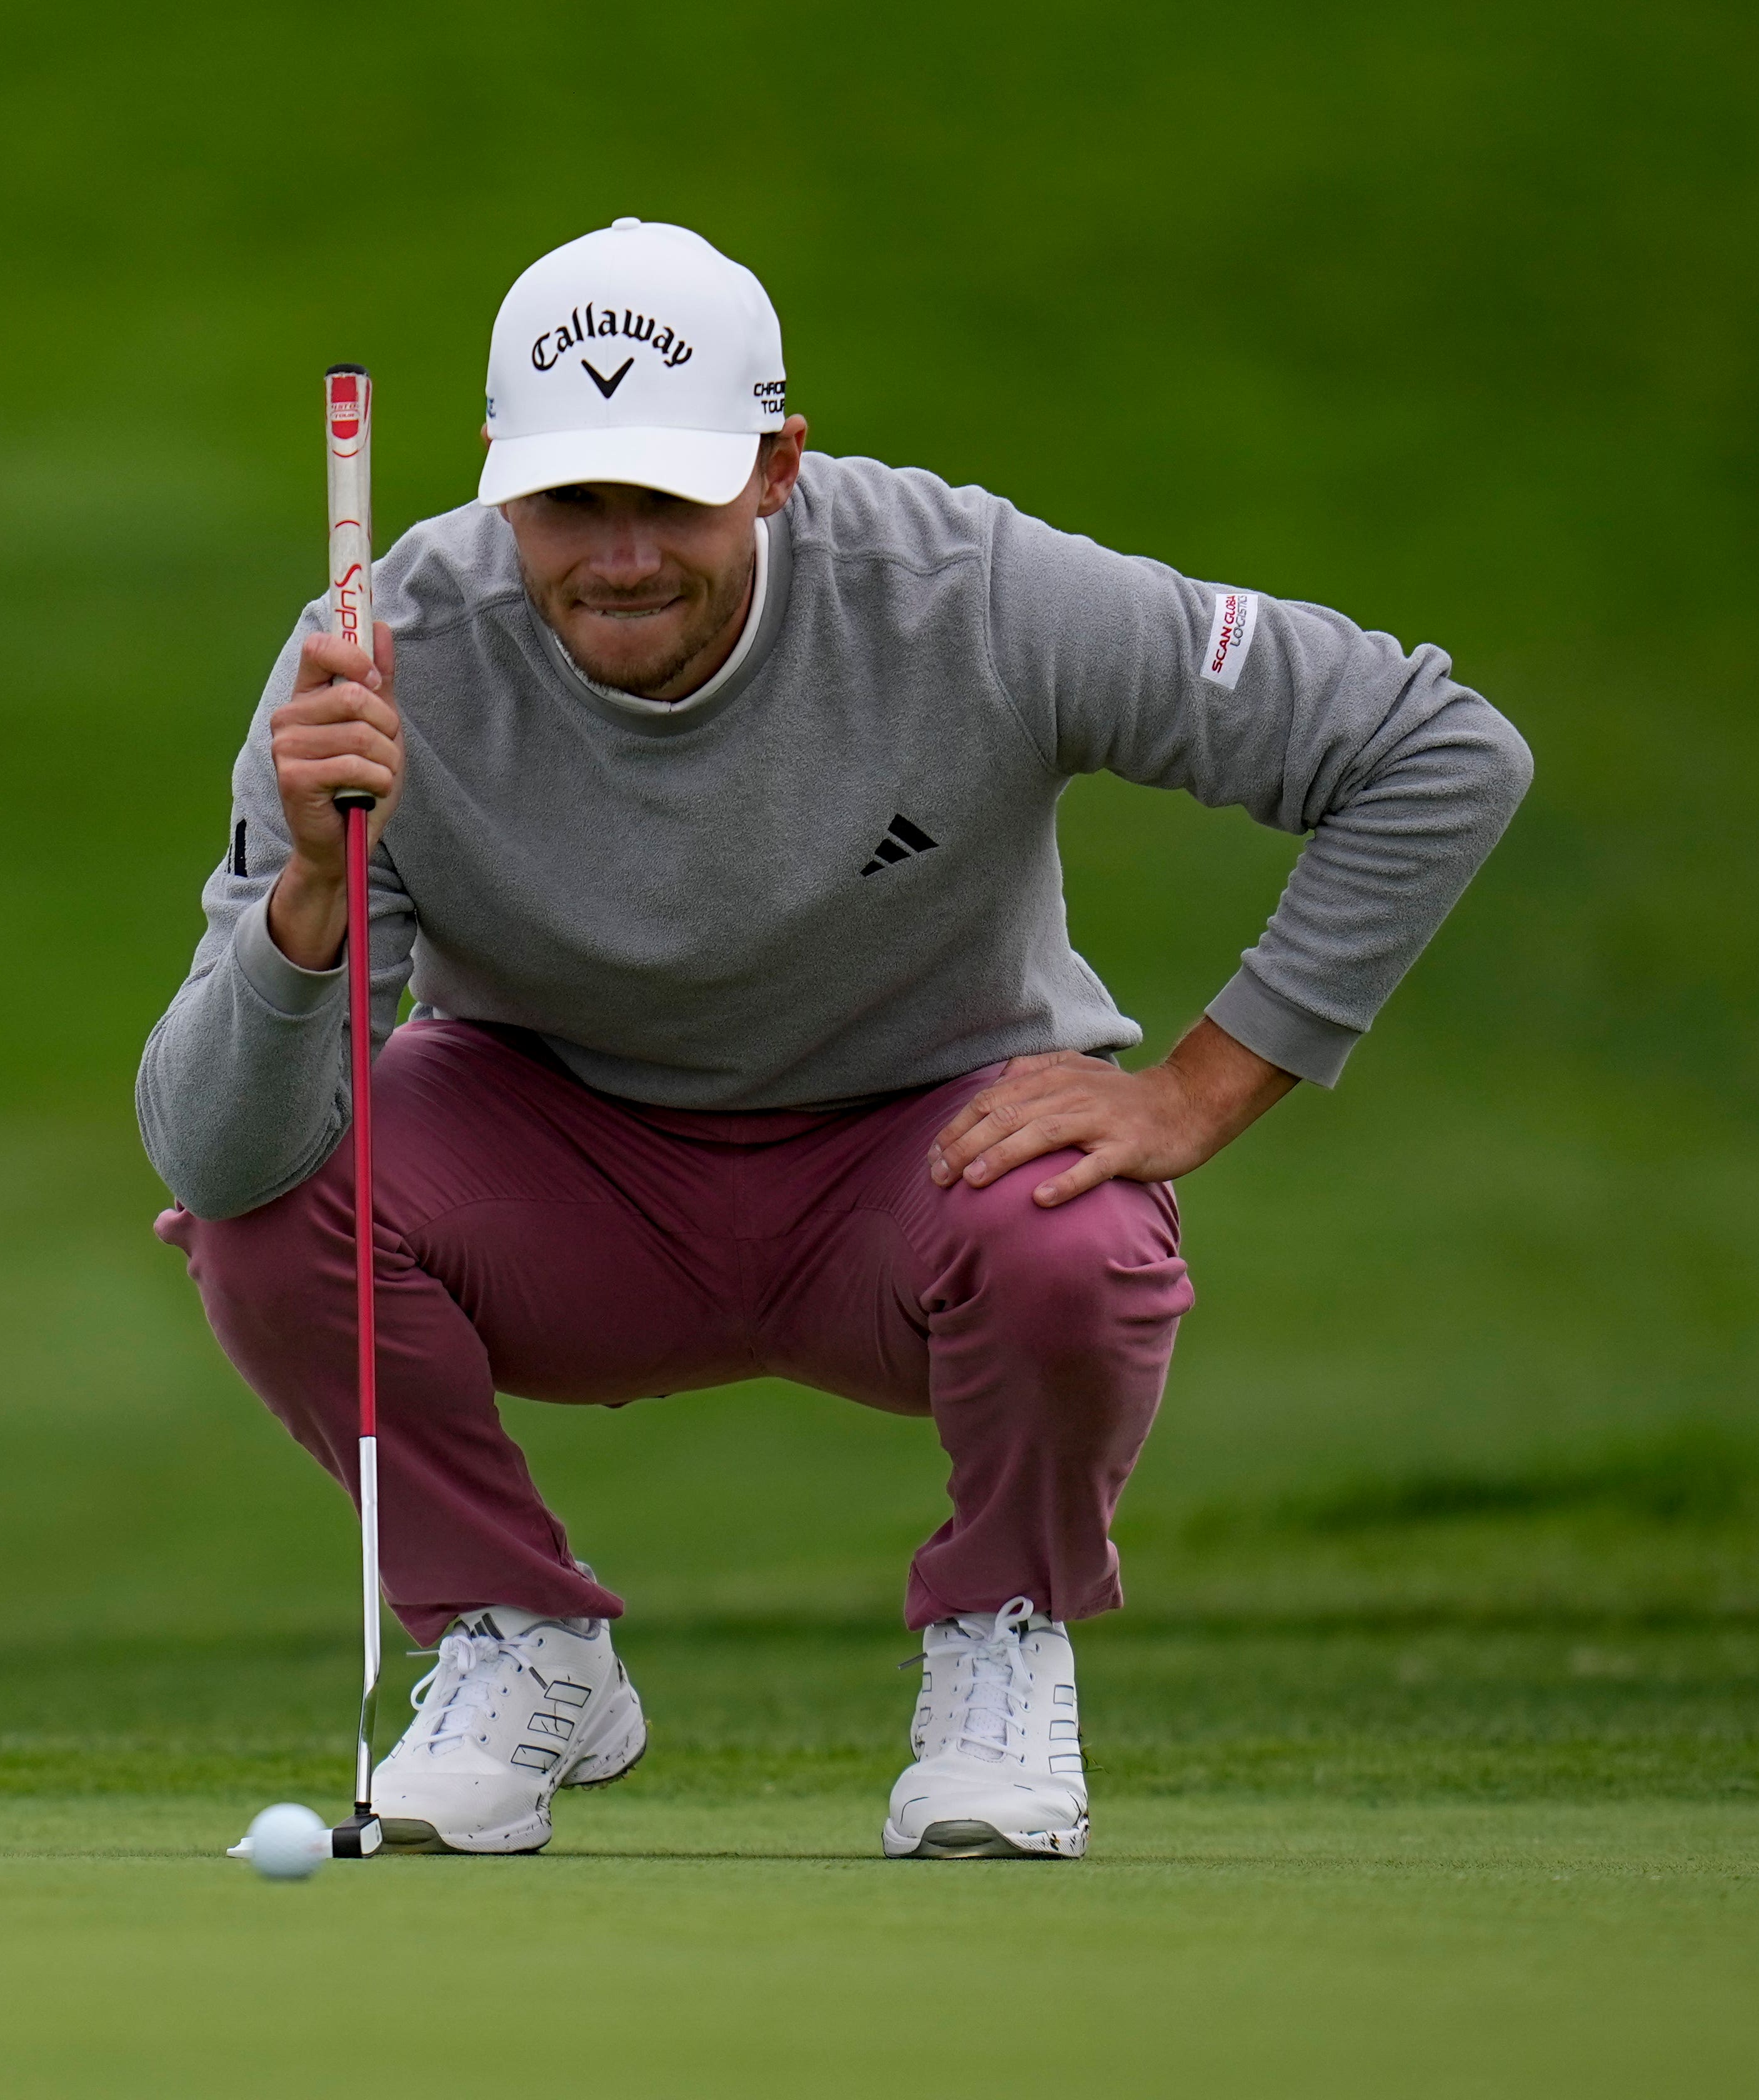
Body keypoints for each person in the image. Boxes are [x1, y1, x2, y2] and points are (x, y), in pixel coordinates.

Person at [137, 219, 1533, 1861]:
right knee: (280, 1201)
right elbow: (218, 1153)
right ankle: (520, 1643)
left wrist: (1200, 1092)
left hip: (922, 1167)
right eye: (573, 502)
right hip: (567, 1172)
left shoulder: (970, 592)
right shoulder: (380, 656)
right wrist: (312, 883)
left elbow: (1433, 748)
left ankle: (999, 1638)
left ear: (780, 465)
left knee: (1071, 1234)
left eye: (671, 497)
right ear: (502, 484)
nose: (622, 554)